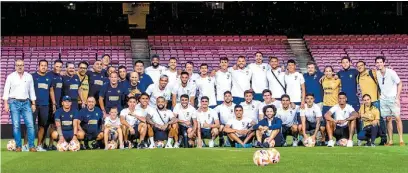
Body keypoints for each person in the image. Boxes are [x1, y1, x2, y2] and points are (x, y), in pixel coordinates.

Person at [3, 59, 37, 152]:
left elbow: (32, 90)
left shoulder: (29, 76)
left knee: (30, 125)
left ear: (24, 66)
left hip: (26, 103)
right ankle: (18, 146)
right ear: (15, 66)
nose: (19, 66)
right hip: (14, 102)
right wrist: (6, 104)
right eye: (18, 65)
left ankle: (31, 146)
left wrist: (33, 103)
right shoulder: (10, 77)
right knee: (16, 125)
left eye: (21, 65)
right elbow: (6, 90)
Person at [375, 56, 404, 146]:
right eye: (377, 62)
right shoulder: (377, 73)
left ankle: (401, 140)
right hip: (383, 99)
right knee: (388, 119)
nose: (379, 64)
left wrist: (397, 97)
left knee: (398, 118)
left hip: (393, 98)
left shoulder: (391, 72)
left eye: (380, 62)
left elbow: (400, 83)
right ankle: (390, 140)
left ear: (384, 63)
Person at [356, 60, 387, 145]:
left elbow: (381, 80)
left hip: (375, 100)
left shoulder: (372, 73)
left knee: (379, 120)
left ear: (365, 65)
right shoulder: (358, 77)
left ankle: (383, 138)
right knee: (364, 119)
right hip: (365, 102)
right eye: (358, 66)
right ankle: (367, 139)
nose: (360, 67)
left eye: (361, 65)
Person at [31, 59, 53, 151]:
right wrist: (32, 103)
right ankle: (26, 145)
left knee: (42, 126)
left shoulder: (49, 78)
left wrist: (54, 103)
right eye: (42, 65)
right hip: (34, 105)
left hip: (45, 105)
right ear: (38, 66)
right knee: (30, 125)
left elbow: (51, 91)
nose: (43, 67)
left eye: (45, 65)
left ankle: (39, 145)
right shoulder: (32, 76)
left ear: (47, 67)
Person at [47, 60, 64, 150]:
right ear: (53, 66)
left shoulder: (60, 77)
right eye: (57, 66)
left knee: (54, 124)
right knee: (47, 124)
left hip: (58, 105)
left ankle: (51, 144)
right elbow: (50, 90)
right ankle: (43, 144)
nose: (58, 68)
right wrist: (53, 103)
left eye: (60, 67)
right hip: (50, 104)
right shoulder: (49, 75)